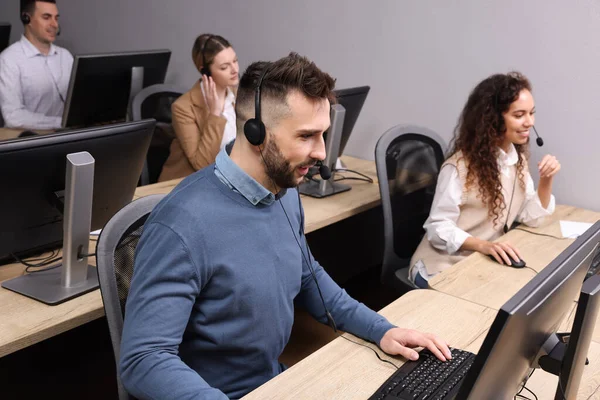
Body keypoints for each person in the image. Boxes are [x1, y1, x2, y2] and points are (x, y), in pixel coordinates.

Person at [120, 52, 452, 399]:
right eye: (307, 136)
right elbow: (144, 360)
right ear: (255, 132)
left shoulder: (283, 192)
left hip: (275, 381)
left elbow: (308, 276)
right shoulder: (181, 226)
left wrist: (381, 330)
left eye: (323, 135)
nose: (322, 152)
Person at [409, 72, 560, 288]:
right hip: (441, 267)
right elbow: (437, 228)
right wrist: (483, 245)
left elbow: (530, 217)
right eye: (519, 115)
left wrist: (546, 180)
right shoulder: (458, 168)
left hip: (479, 263)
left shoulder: (516, 160)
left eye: (531, 113)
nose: (529, 122)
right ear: (493, 119)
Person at [158, 34, 239, 182]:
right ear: (205, 72)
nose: (235, 69)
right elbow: (202, 164)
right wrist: (215, 114)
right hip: (189, 185)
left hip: (228, 182)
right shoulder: (183, 108)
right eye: (224, 67)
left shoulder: (238, 96)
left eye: (235, 61)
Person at [0, 0, 72, 130]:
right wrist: (61, 122)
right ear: (27, 18)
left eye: (56, 18)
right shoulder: (9, 59)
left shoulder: (65, 56)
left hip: (65, 136)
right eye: (46, 17)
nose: (54, 24)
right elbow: (13, 116)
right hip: (29, 140)